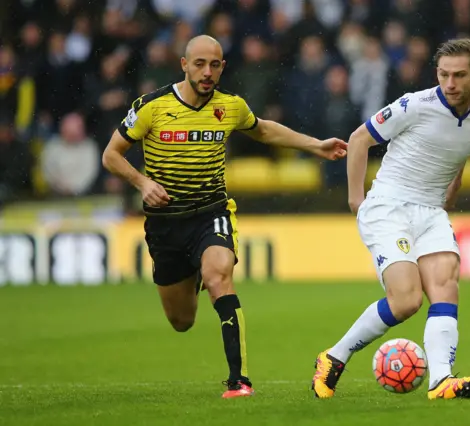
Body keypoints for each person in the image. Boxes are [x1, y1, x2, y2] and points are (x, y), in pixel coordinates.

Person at [102, 35, 347, 399]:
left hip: (210, 213)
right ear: (184, 65)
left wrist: (315, 145)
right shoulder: (151, 106)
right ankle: (195, 271)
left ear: (222, 68)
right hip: (166, 224)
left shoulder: (230, 106)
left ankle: (239, 381)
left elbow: (262, 128)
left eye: (214, 65)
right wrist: (142, 183)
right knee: (182, 321)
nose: (207, 72)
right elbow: (111, 154)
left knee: (218, 276)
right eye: (199, 64)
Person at [311, 38, 470, 400]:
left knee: (446, 285)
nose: (450, 83)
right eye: (444, 74)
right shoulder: (415, 104)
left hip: (431, 210)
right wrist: (356, 200)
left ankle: (441, 381)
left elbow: (461, 150)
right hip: (389, 206)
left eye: (459, 75)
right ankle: (334, 356)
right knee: (407, 300)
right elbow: (359, 138)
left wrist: (451, 193)